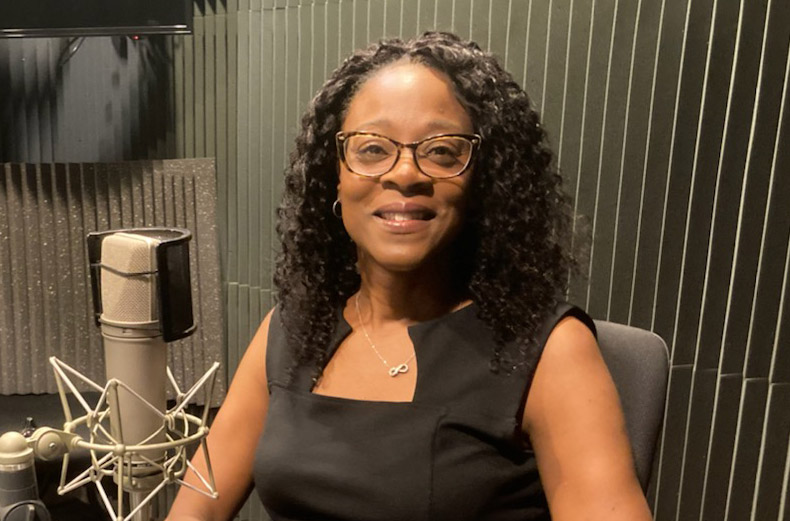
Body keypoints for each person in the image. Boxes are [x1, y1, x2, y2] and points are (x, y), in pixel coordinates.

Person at [167, 32, 652, 521]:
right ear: (334, 174)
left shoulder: (550, 349)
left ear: (484, 180)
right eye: (372, 148)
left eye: (442, 151)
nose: (405, 173)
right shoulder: (292, 329)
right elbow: (194, 510)